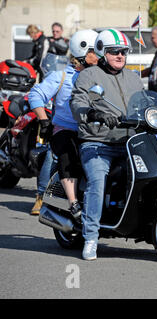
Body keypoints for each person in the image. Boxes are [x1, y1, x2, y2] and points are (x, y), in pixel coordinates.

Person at [70, 28, 144, 261]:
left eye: (123, 51)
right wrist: (92, 113)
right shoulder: (89, 75)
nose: (120, 56)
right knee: (98, 181)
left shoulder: (133, 77)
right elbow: (78, 100)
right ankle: (91, 236)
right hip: (97, 141)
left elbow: (145, 102)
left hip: (129, 141)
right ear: (102, 52)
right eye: (114, 52)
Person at [28, 29, 99, 218]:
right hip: (66, 128)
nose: (99, 54)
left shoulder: (100, 76)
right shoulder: (61, 77)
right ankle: (41, 196)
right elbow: (35, 94)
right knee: (56, 155)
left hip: (93, 132)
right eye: (95, 50)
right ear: (82, 51)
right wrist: (44, 120)